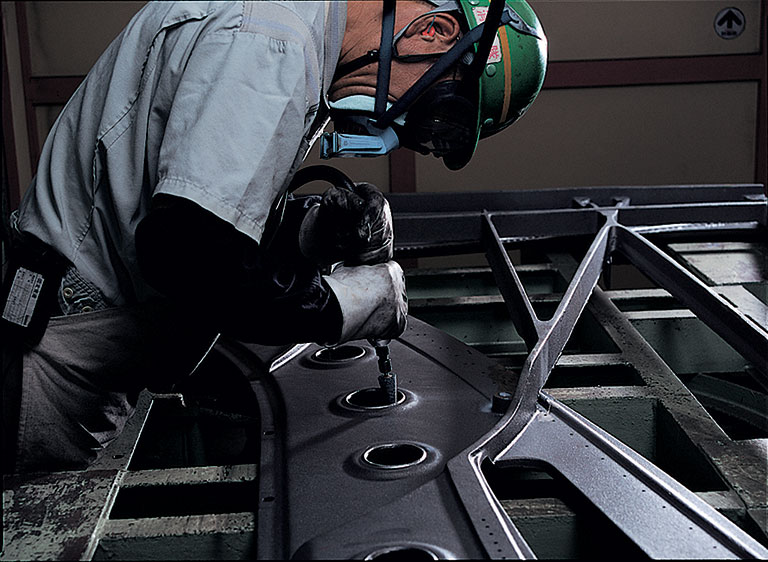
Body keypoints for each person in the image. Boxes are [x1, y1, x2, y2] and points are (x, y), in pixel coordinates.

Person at [1, 0, 546, 473]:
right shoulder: (276, 43)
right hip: (46, 368)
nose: (403, 132)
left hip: (69, 347)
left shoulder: (287, 31)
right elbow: (186, 254)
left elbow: (194, 205)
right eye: (435, 116)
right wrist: (345, 307)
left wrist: (310, 232)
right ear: (435, 32)